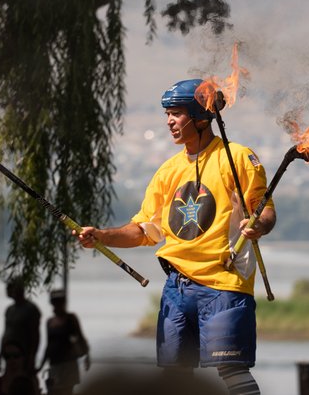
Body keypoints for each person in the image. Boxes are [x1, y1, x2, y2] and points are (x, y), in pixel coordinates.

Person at [74, 79, 276, 395]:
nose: (169, 121)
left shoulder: (235, 157)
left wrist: (258, 226)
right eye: (167, 114)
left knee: (231, 370)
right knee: (174, 379)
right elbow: (143, 230)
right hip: (177, 288)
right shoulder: (168, 171)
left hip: (224, 283)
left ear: (199, 117)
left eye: (177, 113)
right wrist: (101, 235)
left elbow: (264, 211)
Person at [37, 289, 90, 395]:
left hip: (68, 363)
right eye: (55, 302)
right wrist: (41, 366)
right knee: (52, 391)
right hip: (54, 364)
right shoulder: (50, 322)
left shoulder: (71, 319)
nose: (58, 305)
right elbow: (48, 345)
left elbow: (80, 337)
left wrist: (87, 356)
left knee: (66, 391)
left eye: (60, 302)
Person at [0, 278, 42, 376]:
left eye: (9, 288)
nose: (7, 291)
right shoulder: (9, 310)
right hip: (9, 354)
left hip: (23, 355)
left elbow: (35, 336)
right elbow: (5, 334)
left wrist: (32, 357)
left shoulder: (30, 309)